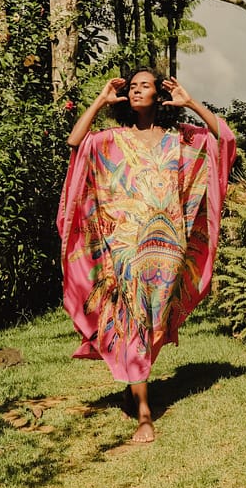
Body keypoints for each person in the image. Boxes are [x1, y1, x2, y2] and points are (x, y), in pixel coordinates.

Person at [57, 69, 236, 443]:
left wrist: (191, 103)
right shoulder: (112, 139)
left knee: (151, 320)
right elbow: (76, 142)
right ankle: (144, 413)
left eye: (145, 86)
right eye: (132, 86)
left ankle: (131, 378)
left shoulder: (180, 139)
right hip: (122, 243)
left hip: (167, 247)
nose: (137, 91)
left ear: (159, 96)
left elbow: (225, 137)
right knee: (133, 317)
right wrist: (100, 100)